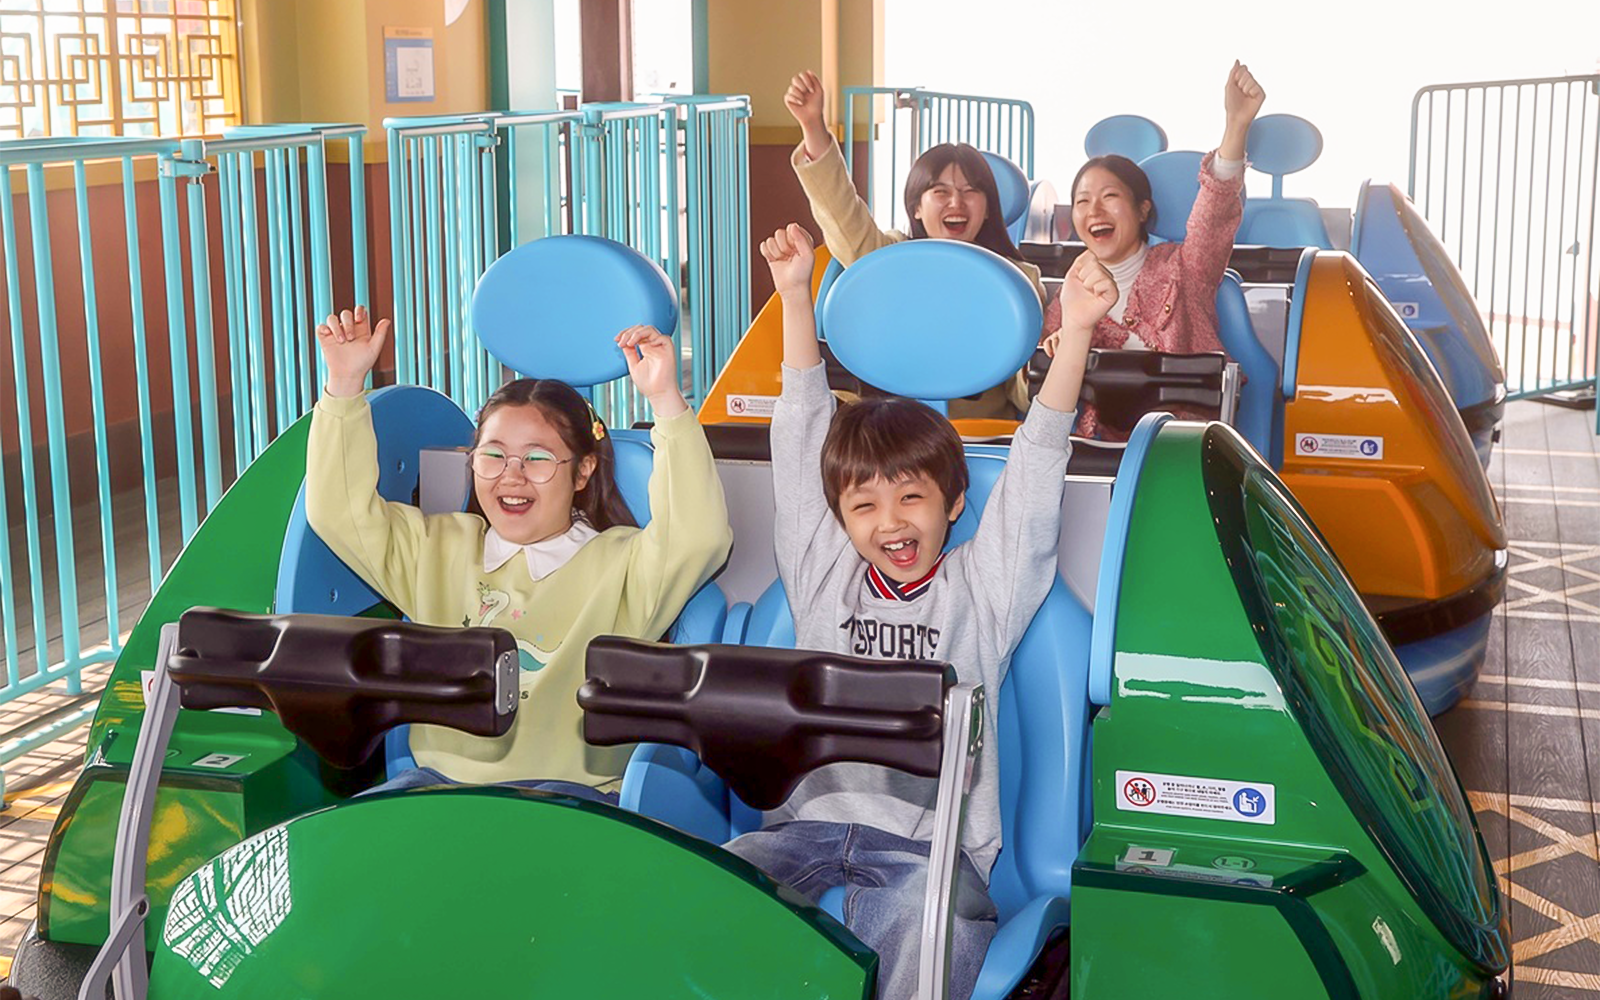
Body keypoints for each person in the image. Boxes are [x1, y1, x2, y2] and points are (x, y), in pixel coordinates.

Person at [727, 224, 1110, 1000]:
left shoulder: (984, 585)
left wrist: (1073, 339)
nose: (890, 521)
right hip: (803, 828)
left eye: (912, 498)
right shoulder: (820, 569)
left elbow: (1036, 474)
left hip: (928, 849)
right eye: (865, 504)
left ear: (955, 503)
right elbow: (800, 441)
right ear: (839, 517)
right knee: (707, 882)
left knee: (920, 918)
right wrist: (796, 296)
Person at [307, 307, 731, 799]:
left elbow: (699, 534)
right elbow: (338, 513)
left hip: (572, 798)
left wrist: (665, 401)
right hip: (438, 790)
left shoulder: (621, 564)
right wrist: (343, 385)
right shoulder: (435, 549)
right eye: (493, 455)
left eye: (537, 458)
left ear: (583, 471)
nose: (512, 475)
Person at [785, 69, 1046, 420]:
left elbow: (1025, 381)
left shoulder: (1019, 279)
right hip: (894, 427)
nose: (956, 203)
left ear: (987, 211)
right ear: (917, 208)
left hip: (979, 431)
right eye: (940, 192)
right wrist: (813, 127)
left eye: (971, 192)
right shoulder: (891, 258)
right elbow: (842, 214)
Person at [1043, 60, 1266, 439]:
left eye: (1109, 196)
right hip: (1097, 449)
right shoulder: (1072, 292)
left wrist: (1236, 126)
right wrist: (1058, 347)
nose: (1094, 210)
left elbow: (1212, 215)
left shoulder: (1184, 269)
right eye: (1082, 201)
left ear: (1143, 209)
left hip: (1181, 444)